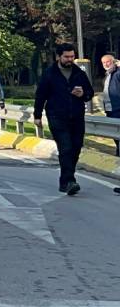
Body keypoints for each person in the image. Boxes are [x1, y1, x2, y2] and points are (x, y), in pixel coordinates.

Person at [34, 43, 94, 195]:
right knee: (65, 147)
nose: (70, 59)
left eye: (72, 56)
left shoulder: (79, 73)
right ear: (59, 57)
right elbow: (41, 95)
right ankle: (69, 181)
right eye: (66, 57)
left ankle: (65, 180)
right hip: (57, 116)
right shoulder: (50, 73)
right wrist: (37, 115)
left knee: (75, 147)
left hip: (77, 116)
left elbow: (90, 92)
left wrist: (83, 94)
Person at [94, 53, 120, 156]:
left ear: (113, 61)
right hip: (109, 109)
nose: (106, 64)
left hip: (118, 109)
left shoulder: (118, 73)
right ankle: (118, 151)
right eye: (103, 62)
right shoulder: (107, 75)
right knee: (114, 133)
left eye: (108, 61)